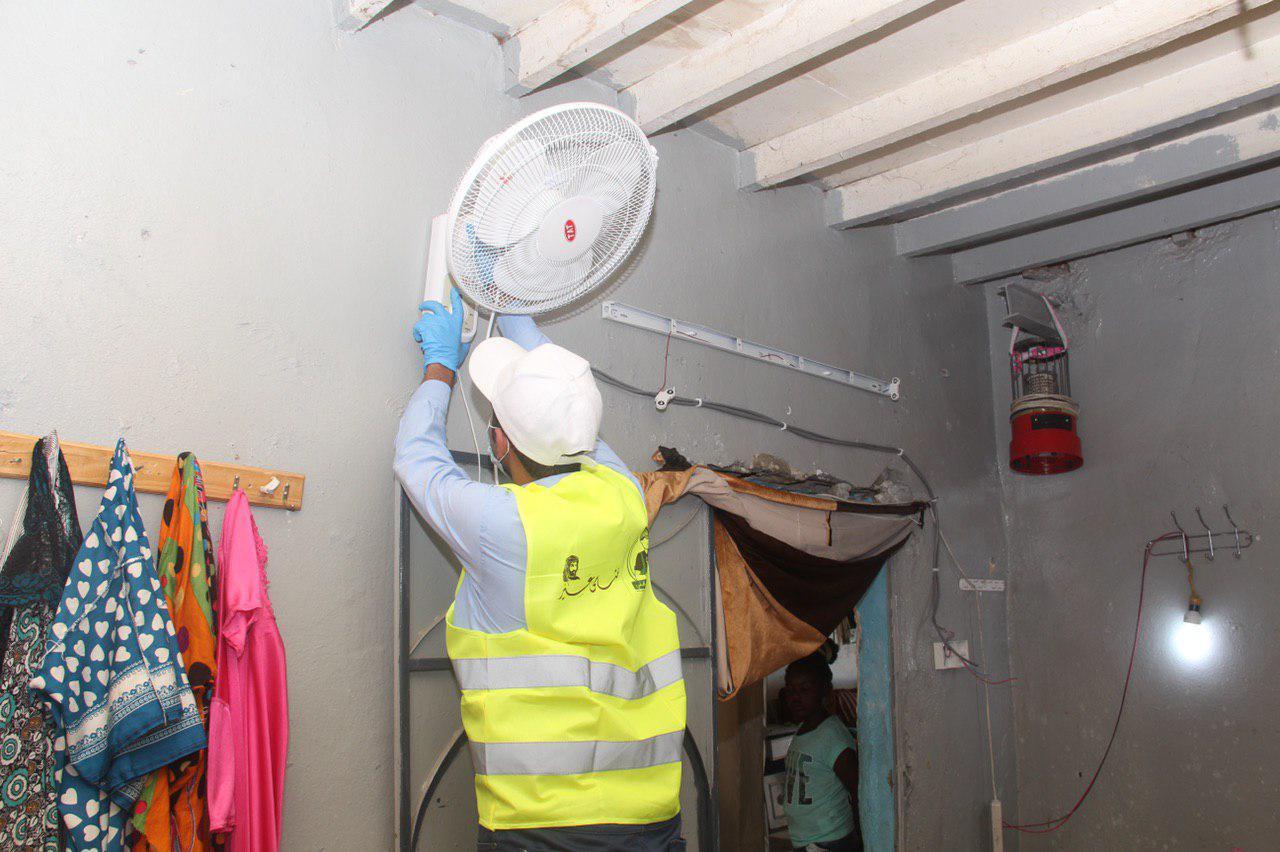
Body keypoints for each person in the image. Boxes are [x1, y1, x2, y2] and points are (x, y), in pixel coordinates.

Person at [394, 292, 687, 852]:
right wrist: (513, 309)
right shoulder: (623, 494)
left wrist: (439, 368)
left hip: (542, 827)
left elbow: (416, 459)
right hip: (651, 818)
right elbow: (578, 423)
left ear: (499, 441)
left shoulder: (502, 523)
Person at [781, 652, 862, 852]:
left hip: (831, 841)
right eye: (790, 690)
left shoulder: (833, 737)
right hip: (808, 841)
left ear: (824, 690)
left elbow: (858, 791)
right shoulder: (804, 730)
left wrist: (861, 842)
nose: (795, 698)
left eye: (804, 689)